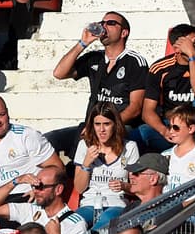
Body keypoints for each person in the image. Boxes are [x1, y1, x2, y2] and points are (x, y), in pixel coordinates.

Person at [48, 12, 146, 152]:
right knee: (48, 140)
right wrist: (83, 43)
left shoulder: (135, 62)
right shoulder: (95, 58)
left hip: (121, 126)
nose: (104, 26)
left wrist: (105, 126)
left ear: (124, 33)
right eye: (102, 23)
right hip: (91, 126)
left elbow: (135, 108)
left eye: (110, 23)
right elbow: (59, 73)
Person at [135, 25, 195, 152]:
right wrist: (164, 131)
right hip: (171, 125)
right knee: (140, 134)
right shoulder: (159, 68)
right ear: (177, 49)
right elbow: (147, 112)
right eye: (192, 43)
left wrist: (193, 57)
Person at [0, 95, 63, 199]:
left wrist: (39, 190)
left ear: (8, 114)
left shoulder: (26, 136)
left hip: (25, 197)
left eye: (1, 115)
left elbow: (58, 168)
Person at [71, 103, 138, 229]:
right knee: (72, 224)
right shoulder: (84, 146)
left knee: (105, 221)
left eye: (107, 124)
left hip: (116, 203)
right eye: (97, 124)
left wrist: (124, 186)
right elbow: (79, 188)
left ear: (115, 125)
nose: (101, 130)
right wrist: (86, 163)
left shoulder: (130, 147)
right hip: (90, 202)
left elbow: (137, 187)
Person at [160, 104, 195, 189]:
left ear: (191, 129)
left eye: (175, 127)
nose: (171, 131)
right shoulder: (164, 155)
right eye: (169, 127)